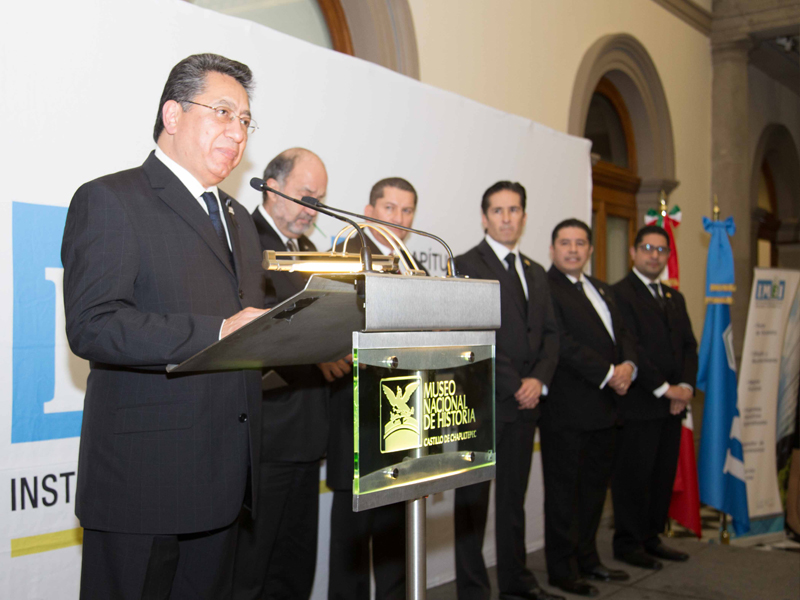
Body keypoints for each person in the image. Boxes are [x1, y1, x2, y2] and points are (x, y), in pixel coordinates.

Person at [61, 53, 268, 599]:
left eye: (246, 120)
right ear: (173, 115)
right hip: (143, 482)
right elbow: (93, 325)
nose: (237, 132)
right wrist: (216, 333)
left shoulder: (239, 219)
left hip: (225, 477)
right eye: (223, 112)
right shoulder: (111, 199)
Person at [233, 148, 343, 599]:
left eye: (319, 201)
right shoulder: (244, 238)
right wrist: (319, 352)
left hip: (308, 430)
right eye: (305, 197)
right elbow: (251, 327)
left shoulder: (310, 251)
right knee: (254, 567)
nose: (311, 210)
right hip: (267, 432)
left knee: (294, 564)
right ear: (274, 188)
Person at [453, 182, 563, 600]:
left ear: (524, 217)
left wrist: (539, 380)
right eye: (497, 210)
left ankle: (516, 584)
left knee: (513, 501)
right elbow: (471, 334)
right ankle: (473, 591)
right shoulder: (466, 264)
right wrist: (516, 384)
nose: (506, 218)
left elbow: (551, 335)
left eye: (513, 210)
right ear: (485, 218)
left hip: (527, 405)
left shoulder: (535, 270)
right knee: (472, 505)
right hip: (483, 405)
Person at [325, 177, 420, 600]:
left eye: (407, 210)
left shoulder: (411, 264)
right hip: (356, 421)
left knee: (395, 543)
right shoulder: (343, 256)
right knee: (352, 543)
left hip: (400, 423)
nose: (399, 219)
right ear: (369, 212)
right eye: (390, 208)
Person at [541, 219, 636, 598]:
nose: (573, 249)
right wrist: (610, 373)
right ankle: (562, 569)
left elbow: (623, 333)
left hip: (606, 409)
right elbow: (562, 343)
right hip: (567, 410)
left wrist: (629, 365)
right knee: (564, 495)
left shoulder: (601, 288)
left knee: (594, 491)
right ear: (552, 249)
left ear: (590, 250)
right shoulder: (546, 287)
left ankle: (588, 558)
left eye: (580, 243)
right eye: (565, 243)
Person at [610, 225, 697, 569]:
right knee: (634, 477)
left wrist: (685, 387)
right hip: (639, 404)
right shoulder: (619, 293)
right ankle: (628, 543)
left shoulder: (675, 297)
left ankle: (651, 537)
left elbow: (689, 346)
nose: (654, 255)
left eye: (661, 250)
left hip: (673, 406)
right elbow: (631, 347)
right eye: (647, 248)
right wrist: (664, 388)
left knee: (662, 476)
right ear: (633, 252)